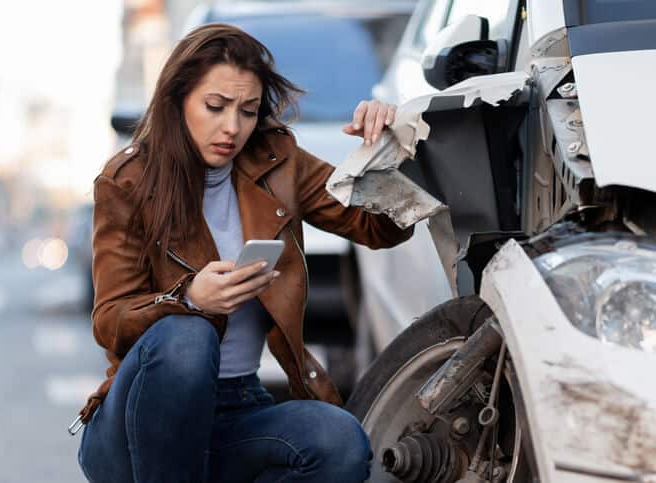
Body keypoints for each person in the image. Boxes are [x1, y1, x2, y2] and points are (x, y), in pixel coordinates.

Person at [75, 23, 413, 483]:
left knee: (339, 442)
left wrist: (387, 151)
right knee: (187, 338)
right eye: (215, 107)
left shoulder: (278, 161)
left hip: (237, 409)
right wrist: (191, 298)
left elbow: (379, 228)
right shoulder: (128, 180)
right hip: (137, 424)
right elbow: (109, 319)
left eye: (248, 111)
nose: (232, 127)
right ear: (178, 102)